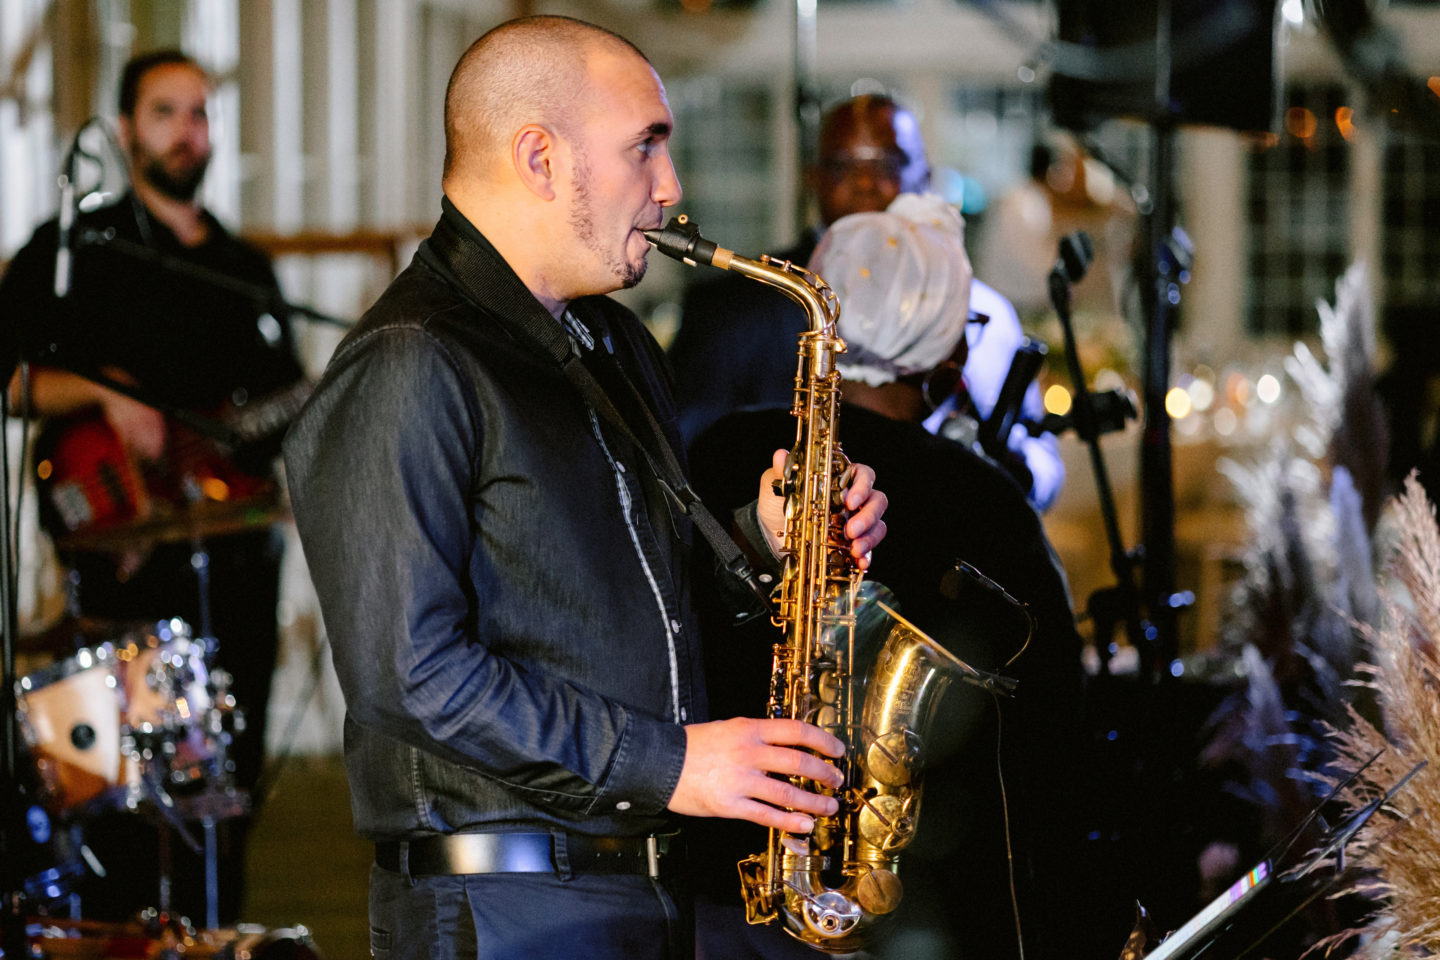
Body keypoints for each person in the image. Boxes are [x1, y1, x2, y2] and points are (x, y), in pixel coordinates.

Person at [280, 17, 888, 960]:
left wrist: (766, 540)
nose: (671, 187)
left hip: (639, 884)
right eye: (645, 145)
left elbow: (634, 602)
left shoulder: (615, 343)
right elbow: (412, 675)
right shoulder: (409, 364)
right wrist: (673, 763)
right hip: (505, 907)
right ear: (538, 158)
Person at [687, 193, 1094, 959]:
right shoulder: (983, 501)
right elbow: (1052, 731)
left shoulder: (716, 451)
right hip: (915, 905)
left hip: (722, 895)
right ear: (947, 364)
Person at [0, 50, 303, 924]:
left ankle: (217, 934)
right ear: (126, 128)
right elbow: (10, 378)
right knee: (123, 795)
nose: (186, 132)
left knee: (228, 787)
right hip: (124, 571)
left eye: (200, 113)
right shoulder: (79, 250)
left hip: (237, 561)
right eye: (166, 112)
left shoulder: (242, 268)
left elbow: (283, 406)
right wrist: (103, 391)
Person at [668, 94, 1064, 510]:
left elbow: (1041, 458)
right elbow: (683, 464)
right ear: (813, 179)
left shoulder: (987, 311)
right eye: (842, 166)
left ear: (925, 176)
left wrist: (1009, 480)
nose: (864, 183)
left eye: (888, 165)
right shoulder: (732, 308)